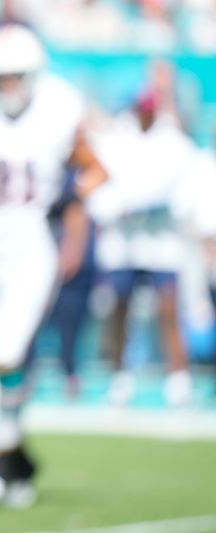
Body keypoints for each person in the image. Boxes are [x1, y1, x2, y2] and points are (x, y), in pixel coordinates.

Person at [0, 24, 107, 508]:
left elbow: (96, 170)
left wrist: (70, 201)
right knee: (3, 360)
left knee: (4, 351)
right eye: (3, 76)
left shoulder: (57, 112)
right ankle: (16, 460)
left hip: (33, 246)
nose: (10, 85)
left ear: (33, 75)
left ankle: (3, 457)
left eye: (18, 76)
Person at [88, 88, 195, 407]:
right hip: (123, 240)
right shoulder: (114, 140)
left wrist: (157, 206)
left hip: (162, 240)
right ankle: (119, 376)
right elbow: (100, 183)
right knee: (118, 308)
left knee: (168, 308)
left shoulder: (173, 142)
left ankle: (179, 379)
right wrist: (115, 207)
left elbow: (185, 188)